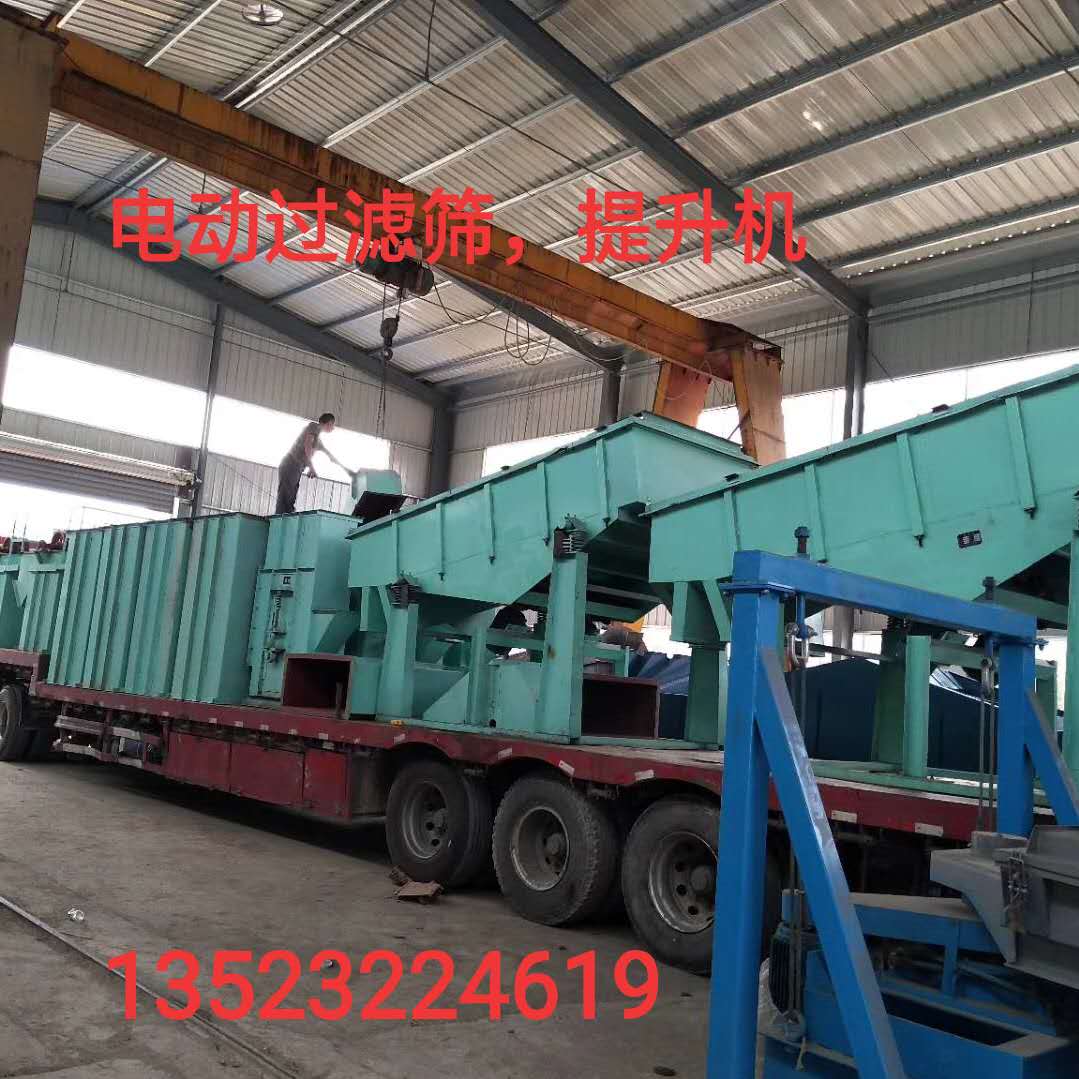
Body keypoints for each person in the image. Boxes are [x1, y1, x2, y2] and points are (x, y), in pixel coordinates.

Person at [275, 413, 351, 514]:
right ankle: (280, 518)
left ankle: (286, 517)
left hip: (297, 467)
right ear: (328, 423)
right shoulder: (314, 427)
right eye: (333, 425)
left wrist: (347, 470)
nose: (333, 428)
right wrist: (311, 467)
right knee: (286, 496)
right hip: (291, 464)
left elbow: (330, 456)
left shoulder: (317, 440)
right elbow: (307, 446)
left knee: (291, 497)